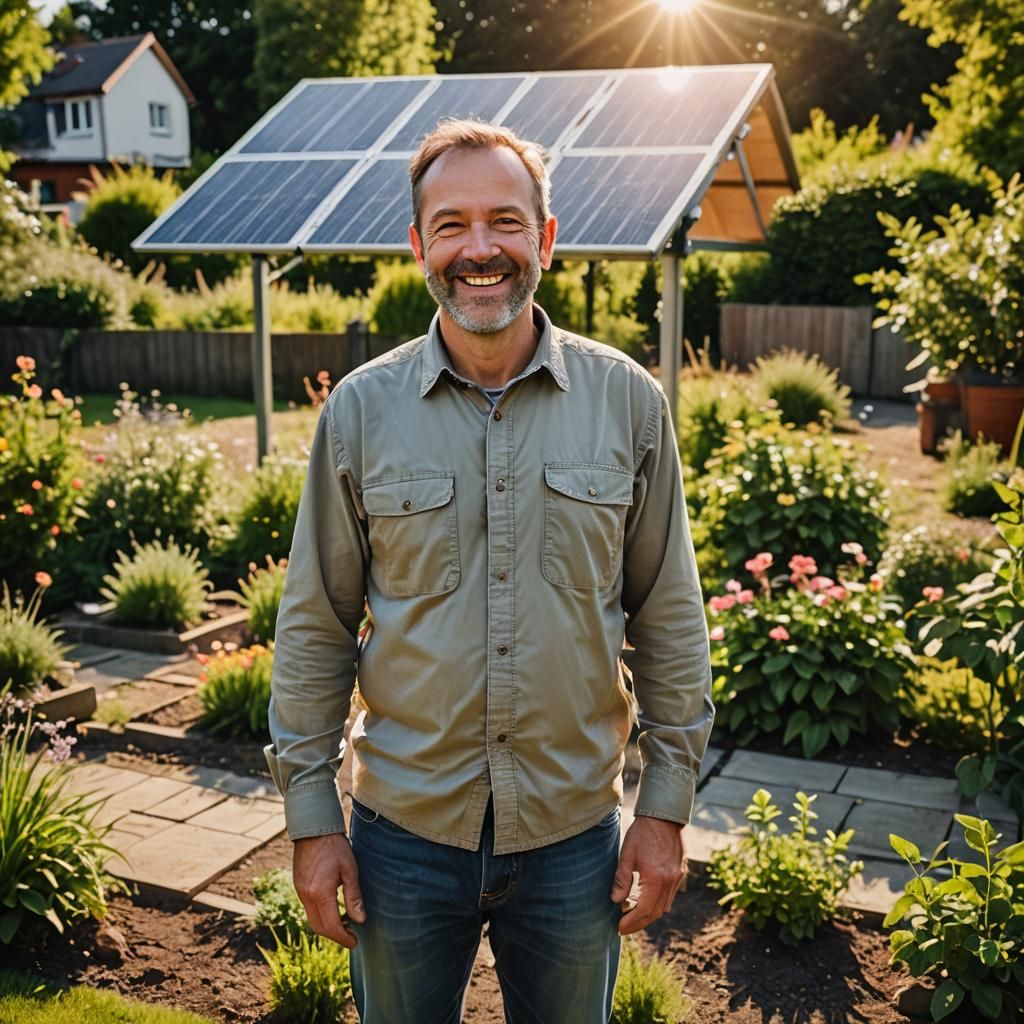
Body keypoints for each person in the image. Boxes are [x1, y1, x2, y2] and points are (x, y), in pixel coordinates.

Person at [264, 117, 714, 1024]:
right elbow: (315, 624)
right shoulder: (359, 411)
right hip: (402, 841)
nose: (480, 249)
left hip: (572, 839)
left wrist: (664, 809)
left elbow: (668, 617)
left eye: (506, 222)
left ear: (545, 239)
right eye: (452, 225)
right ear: (419, 246)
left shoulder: (627, 400)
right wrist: (314, 821)